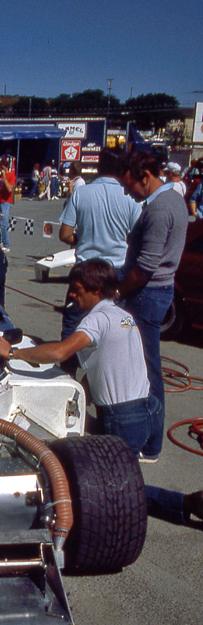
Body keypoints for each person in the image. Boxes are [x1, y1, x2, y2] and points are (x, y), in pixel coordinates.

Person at [0, 259, 162, 459]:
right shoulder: (123, 316)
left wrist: (12, 353)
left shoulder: (96, 319)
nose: (71, 295)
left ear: (96, 290)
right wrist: (87, 385)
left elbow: (61, 352)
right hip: (148, 408)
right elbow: (113, 360)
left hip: (123, 418)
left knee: (111, 483)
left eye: (77, 289)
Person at [118, 150, 189, 461]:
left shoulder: (160, 208)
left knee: (147, 370)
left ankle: (150, 443)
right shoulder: (172, 199)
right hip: (154, 292)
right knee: (145, 367)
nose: (126, 191)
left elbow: (146, 266)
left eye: (129, 184)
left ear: (145, 177)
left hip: (147, 294)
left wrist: (116, 291)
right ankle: (145, 437)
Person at [59, 149, 142, 338]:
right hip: (117, 270)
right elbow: (138, 236)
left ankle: (68, 363)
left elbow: (64, 234)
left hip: (86, 269)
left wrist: (83, 239)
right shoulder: (130, 197)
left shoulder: (80, 194)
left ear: (98, 167)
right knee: (114, 326)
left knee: (74, 323)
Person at [0, 155, 15, 251]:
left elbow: (9, 189)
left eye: (2, 167)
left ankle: (6, 245)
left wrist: (4, 177)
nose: (1, 169)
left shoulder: (11, 175)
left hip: (6, 202)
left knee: (3, 224)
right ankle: (0, 240)